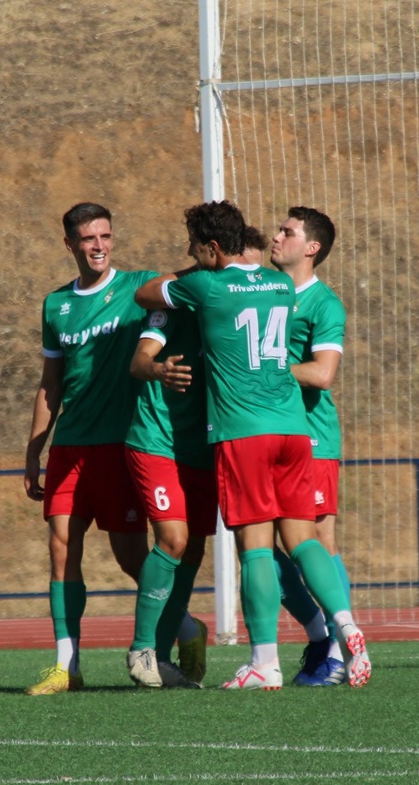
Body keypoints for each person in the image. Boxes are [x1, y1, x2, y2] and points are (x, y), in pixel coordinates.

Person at [136, 201, 370, 690]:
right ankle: (344, 624)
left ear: (213, 248)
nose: (192, 255)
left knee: (256, 551)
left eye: (197, 248)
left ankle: (265, 662)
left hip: (243, 431)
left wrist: (200, 268)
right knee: (303, 539)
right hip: (292, 427)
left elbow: (146, 293)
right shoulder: (281, 285)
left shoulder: (205, 285)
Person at [122, 231, 268, 688]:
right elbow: (139, 359)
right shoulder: (179, 304)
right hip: (157, 439)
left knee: (193, 549)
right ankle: (142, 648)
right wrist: (159, 368)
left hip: (206, 445)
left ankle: (165, 652)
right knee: (173, 539)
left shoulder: (243, 306)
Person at [23, 203, 156, 695]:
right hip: (70, 447)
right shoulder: (56, 305)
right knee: (61, 547)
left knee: (130, 558)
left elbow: (189, 291)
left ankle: (186, 627)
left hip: (121, 447)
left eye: (105, 236)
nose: (98, 245)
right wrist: (34, 451)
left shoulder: (139, 288)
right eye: (87, 238)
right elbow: (50, 385)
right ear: (70, 245)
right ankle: (67, 665)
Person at [268, 206, 353, 686]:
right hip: (264, 437)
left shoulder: (324, 304)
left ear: (312, 247)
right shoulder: (266, 293)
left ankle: (340, 654)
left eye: (287, 232)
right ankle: (320, 633)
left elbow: (323, 374)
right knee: (257, 541)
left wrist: (262, 369)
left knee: (319, 541)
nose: (276, 236)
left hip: (312, 440)